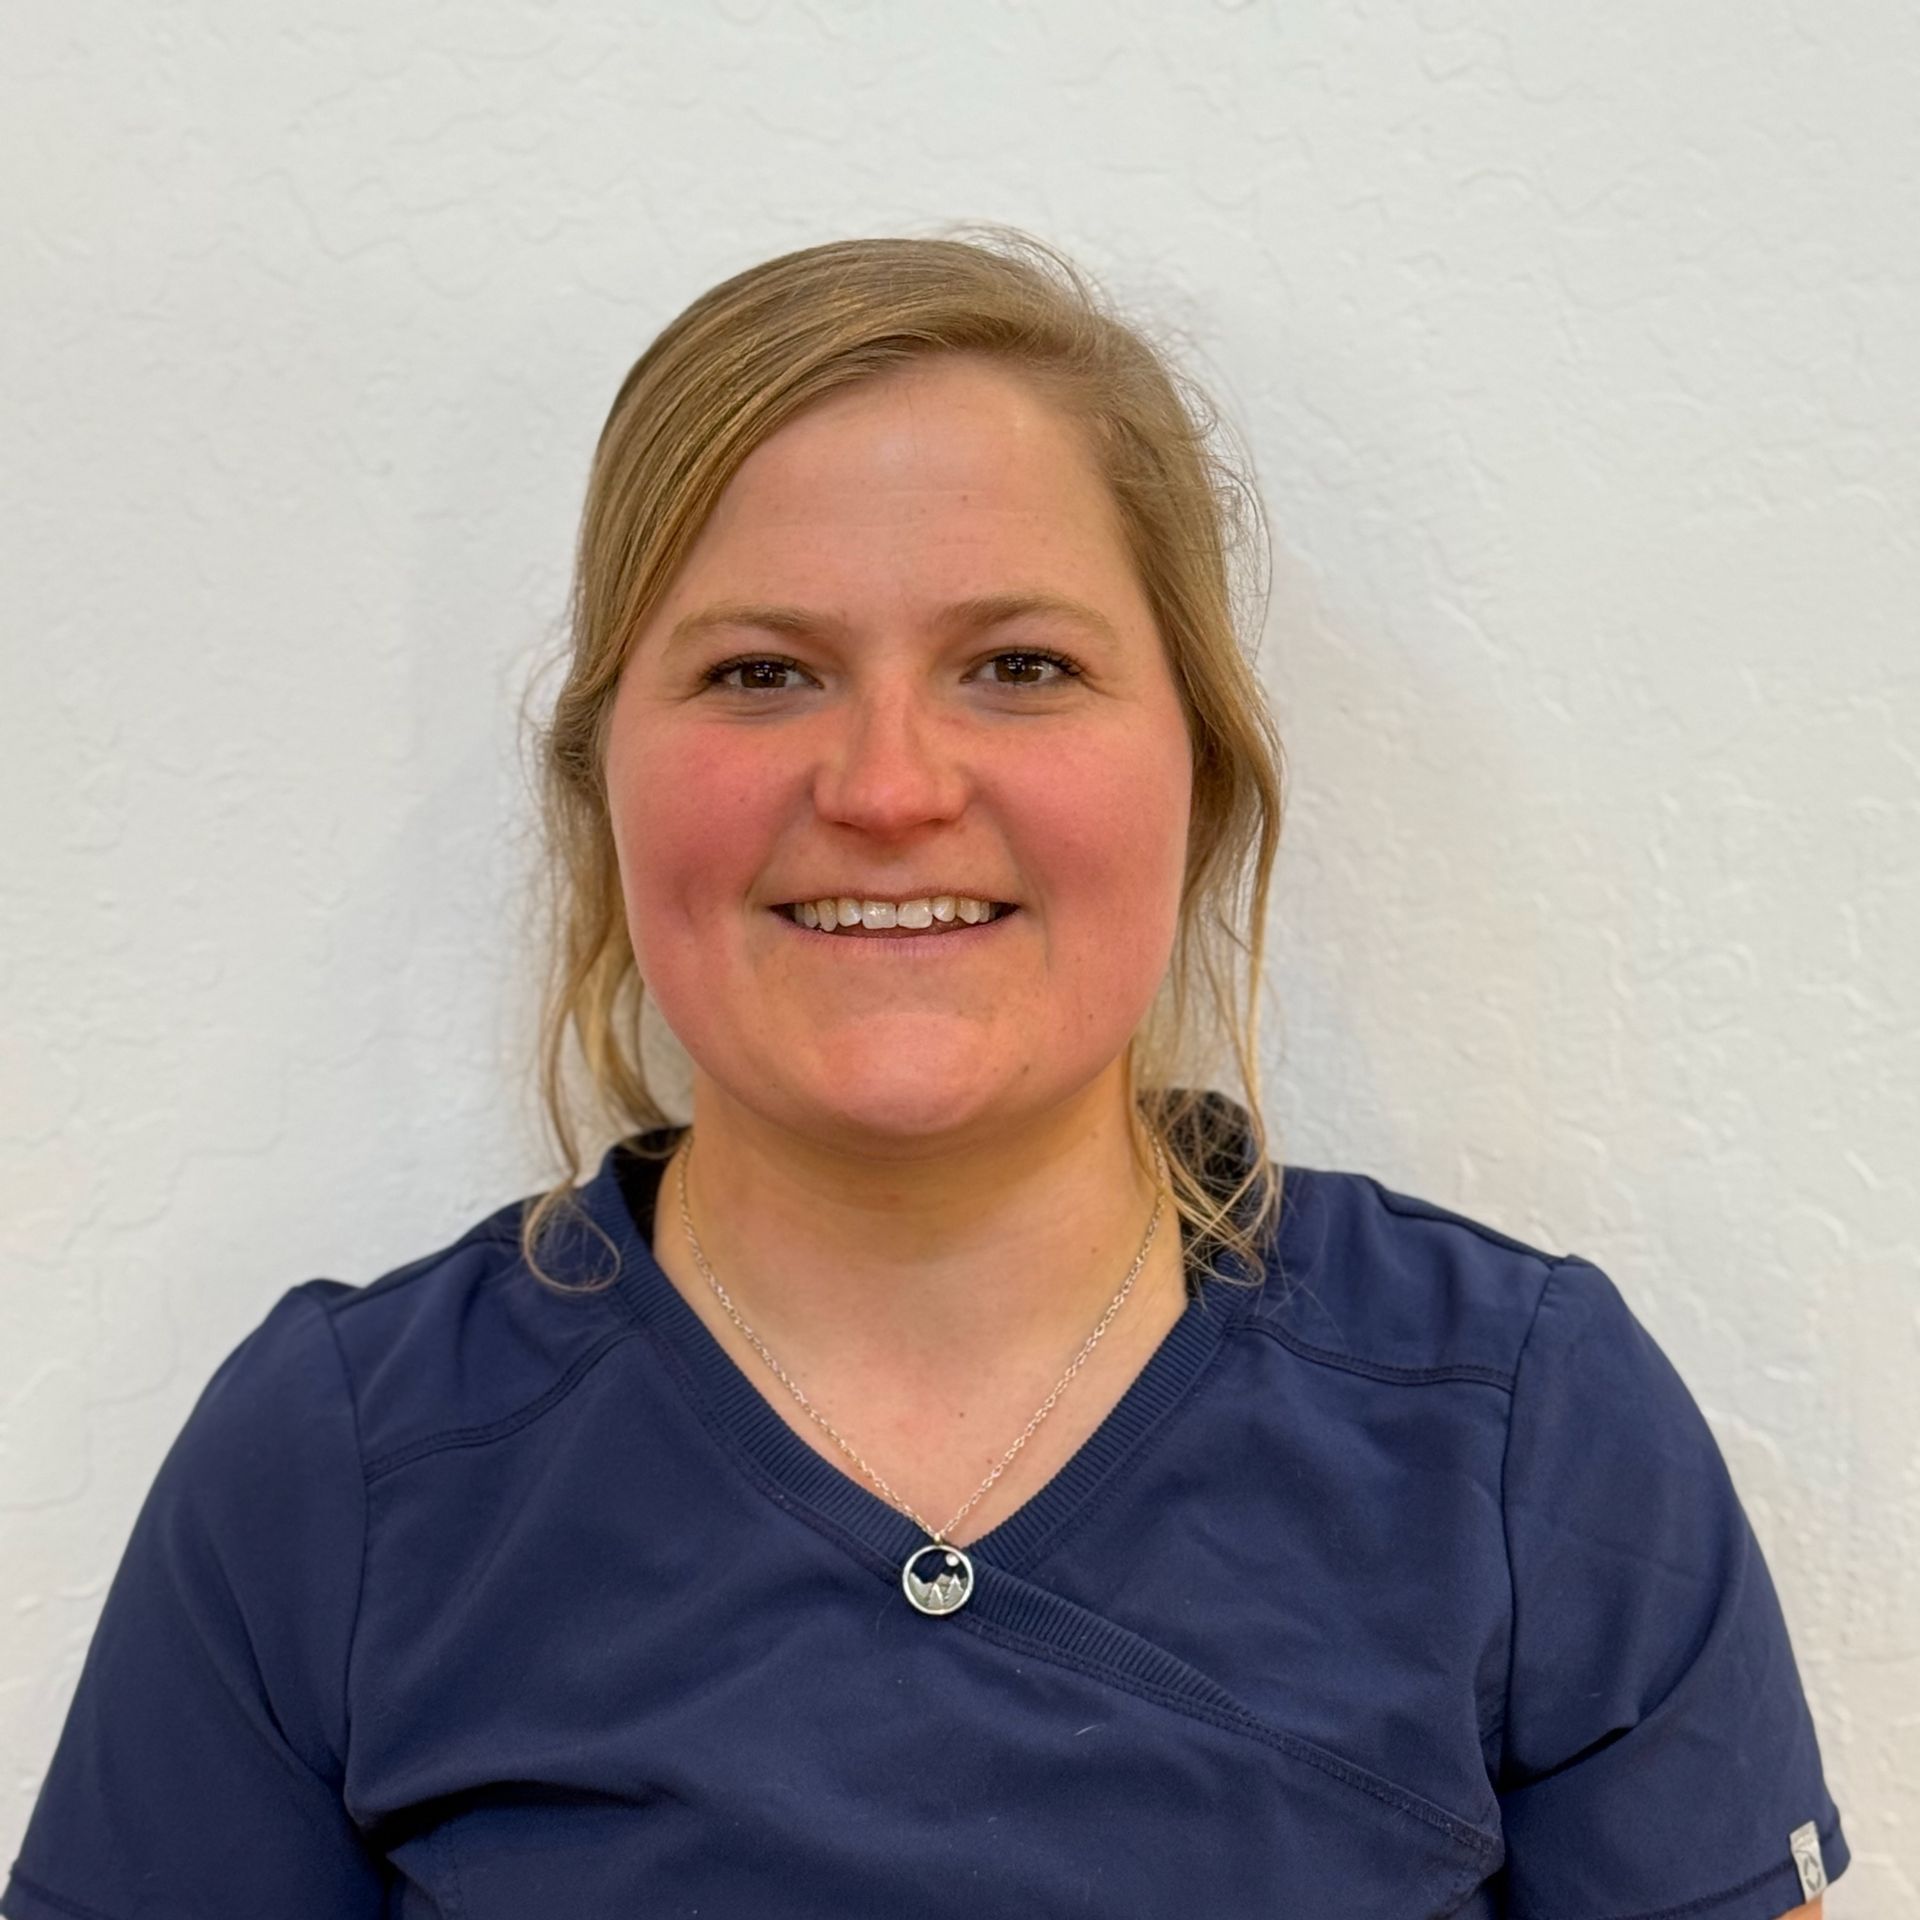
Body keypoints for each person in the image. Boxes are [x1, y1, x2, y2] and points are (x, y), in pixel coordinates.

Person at [2, 230, 1847, 1920]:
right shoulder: (338, 1467)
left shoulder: (1522, 1428)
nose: (888, 787)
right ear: (604, 784)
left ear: (1193, 769)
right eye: (758, 674)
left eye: (1020, 664)